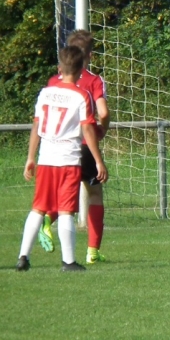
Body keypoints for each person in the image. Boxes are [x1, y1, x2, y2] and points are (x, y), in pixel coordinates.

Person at [17, 45, 108, 272]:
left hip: (46, 159)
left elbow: (37, 125)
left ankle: (23, 257)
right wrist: (98, 160)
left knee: (38, 208)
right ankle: (68, 262)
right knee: (66, 210)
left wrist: (30, 157)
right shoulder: (80, 96)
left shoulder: (45, 93)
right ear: (80, 70)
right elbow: (87, 129)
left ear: (60, 68)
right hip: (68, 160)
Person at [37, 30, 112, 265]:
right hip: (84, 145)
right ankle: (92, 251)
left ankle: (47, 219)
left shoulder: (54, 81)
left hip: (55, 149)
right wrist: (102, 130)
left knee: (64, 194)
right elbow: (103, 112)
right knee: (94, 193)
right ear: (90, 55)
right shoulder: (94, 80)